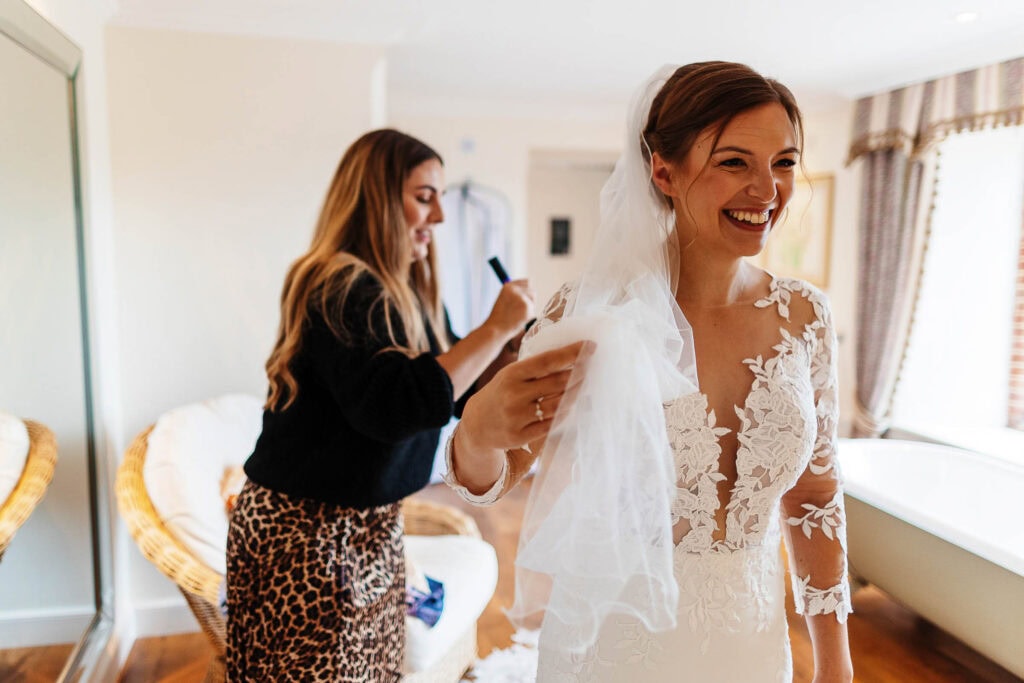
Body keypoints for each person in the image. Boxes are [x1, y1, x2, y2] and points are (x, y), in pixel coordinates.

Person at [445, 62, 854, 682]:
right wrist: (475, 431)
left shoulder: (804, 317)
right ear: (664, 170)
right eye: (735, 162)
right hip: (617, 650)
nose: (768, 191)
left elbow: (815, 497)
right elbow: (500, 477)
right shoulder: (589, 315)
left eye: (785, 162)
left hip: (751, 646)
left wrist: (835, 661)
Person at [225, 128, 541, 681]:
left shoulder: (408, 293)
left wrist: (506, 348)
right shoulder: (338, 285)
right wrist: (493, 328)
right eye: (424, 196)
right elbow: (398, 405)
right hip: (305, 536)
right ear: (374, 196)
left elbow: (447, 389)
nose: (439, 216)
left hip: (368, 528)